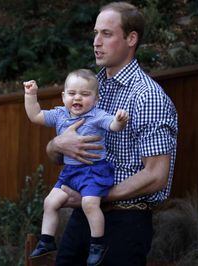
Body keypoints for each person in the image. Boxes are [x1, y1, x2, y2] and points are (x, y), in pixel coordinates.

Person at [46, 2, 178, 266]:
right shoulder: (89, 89)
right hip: (84, 216)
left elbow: (156, 176)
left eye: (106, 34)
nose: (96, 42)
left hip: (125, 222)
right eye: (95, 33)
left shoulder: (148, 97)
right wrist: (56, 144)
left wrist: (96, 195)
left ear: (131, 39)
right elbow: (58, 153)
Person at [23, 69, 129, 265]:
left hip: (94, 171)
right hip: (70, 173)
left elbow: (113, 126)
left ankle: (97, 244)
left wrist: (119, 120)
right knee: (50, 202)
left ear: (96, 99)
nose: (77, 98)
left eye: (85, 94)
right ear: (63, 97)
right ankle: (47, 240)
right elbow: (35, 116)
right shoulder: (60, 114)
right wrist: (30, 95)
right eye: (72, 94)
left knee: (89, 203)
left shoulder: (97, 115)